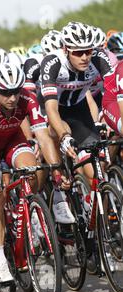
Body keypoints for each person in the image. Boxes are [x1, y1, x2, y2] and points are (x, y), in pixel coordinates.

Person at [0, 63, 68, 282]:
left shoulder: (27, 98)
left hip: (13, 139)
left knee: (33, 169)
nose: (13, 98)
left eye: (16, 91)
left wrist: (56, 171)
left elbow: (43, 136)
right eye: (6, 93)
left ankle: (28, 208)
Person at [41, 22, 114, 211]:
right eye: (78, 52)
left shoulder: (99, 58)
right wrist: (64, 136)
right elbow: (50, 107)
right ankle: (59, 182)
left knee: (96, 173)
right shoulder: (53, 62)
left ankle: (99, 220)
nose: (84, 57)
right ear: (66, 49)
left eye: (88, 51)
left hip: (79, 111)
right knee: (61, 132)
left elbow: (114, 93)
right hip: (56, 111)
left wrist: (107, 119)